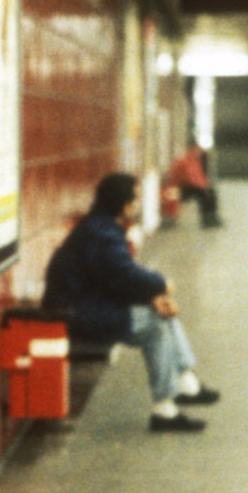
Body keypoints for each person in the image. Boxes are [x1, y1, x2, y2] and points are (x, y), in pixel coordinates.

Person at [41, 172, 220, 432]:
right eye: (135, 198)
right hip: (77, 314)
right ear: (123, 203)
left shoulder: (99, 226)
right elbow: (125, 275)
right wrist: (160, 284)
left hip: (85, 305)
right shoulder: (102, 234)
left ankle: (185, 385)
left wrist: (154, 296)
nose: (137, 204)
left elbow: (114, 279)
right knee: (156, 323)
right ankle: (166, 410)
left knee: (160, 308)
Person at [163, 140, 222, 227]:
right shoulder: (185, 161)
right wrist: (204, 187)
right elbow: (191, 179)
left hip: (182, 188)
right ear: (192, 149)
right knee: (204, 193)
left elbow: (198, 177)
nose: (199, 152)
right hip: (174, 191)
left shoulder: (193, 160)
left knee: (208, 192)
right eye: (197, 150)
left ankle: (211, 216)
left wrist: (205, 186)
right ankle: (208, 218)